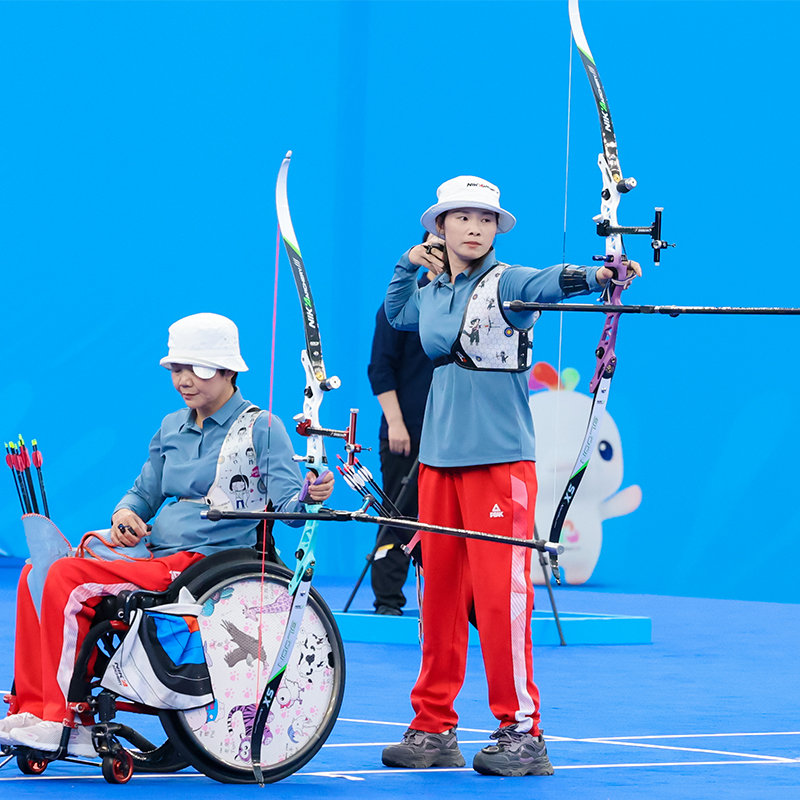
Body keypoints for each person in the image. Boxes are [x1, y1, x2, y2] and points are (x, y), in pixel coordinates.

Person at [379, 176, 640, 777]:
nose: (474, 228)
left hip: (499, 463)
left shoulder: (509, 283)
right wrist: (405, 262)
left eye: (485, 219)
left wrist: (602, 275)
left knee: (502, 599)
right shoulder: (434, 288)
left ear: (497, 229)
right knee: (439, 595)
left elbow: (552, 281)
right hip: (439, 462)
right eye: (461, 218)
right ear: (437, 227)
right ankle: (433, 726)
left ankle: (522, 732)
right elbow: (397, 313)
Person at [0, 312, 333, 756]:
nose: (183, 380)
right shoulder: (172, 426)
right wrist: (125, 516)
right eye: (176, 369)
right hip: (156, 557)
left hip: (203, 567)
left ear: (227, 370)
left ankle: (64, 718)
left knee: (66, 579)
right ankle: (33, 707)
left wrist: (312, 494)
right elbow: (143, 493)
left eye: (195, 368)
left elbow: (291, 512)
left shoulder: (260, 428)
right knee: (33, 574)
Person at [367, 244, 435, 615]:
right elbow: (380, 368)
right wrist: (396, 423)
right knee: (397, 515)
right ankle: (388, 601)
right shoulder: (402, 306)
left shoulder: (469, 301)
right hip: (404, 431)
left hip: (453, 433)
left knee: (447, 520)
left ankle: (449, 600)